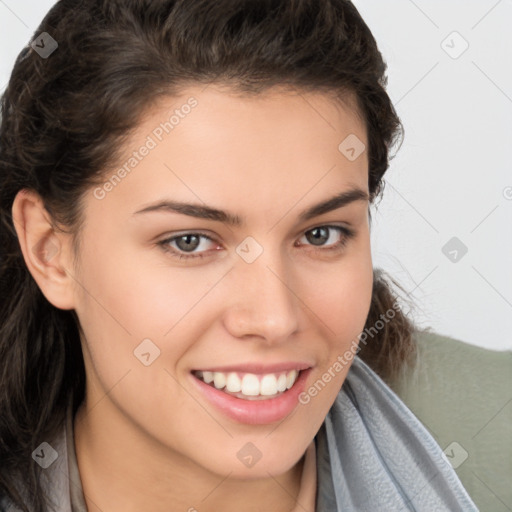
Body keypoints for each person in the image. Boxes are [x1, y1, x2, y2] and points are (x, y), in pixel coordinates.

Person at [0, 1, 479, 511]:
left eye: (321, 235)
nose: (274, 318)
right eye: (191, 241)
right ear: (50, 250)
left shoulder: (494, 443)